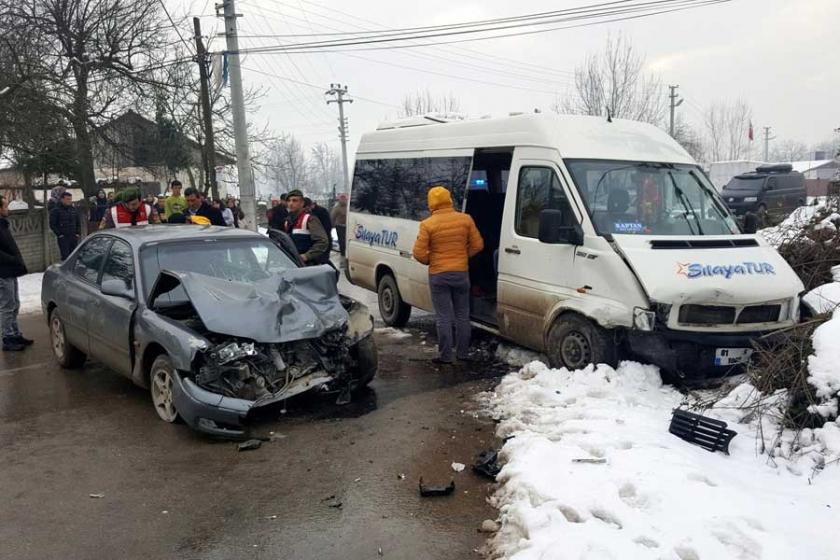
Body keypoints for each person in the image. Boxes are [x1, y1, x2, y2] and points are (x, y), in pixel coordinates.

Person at [412, 186, 484, 365]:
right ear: (449, 200)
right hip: (461, 274)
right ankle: (463, 354)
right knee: (462, 315)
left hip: (438, 275)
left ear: (431, 203)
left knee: (443, 317)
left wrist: (433, 260)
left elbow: (419, 253)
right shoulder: (465, 220)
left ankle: (445, 357)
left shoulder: (427, 224)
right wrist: (461, 257)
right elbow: (478, 245)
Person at [0, 195, 33, 351]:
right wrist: (12, 259)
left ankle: (15, 334)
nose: (8, 209)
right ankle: (8, 338)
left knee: (14, 304)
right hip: (3, 272)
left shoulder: (3, 225)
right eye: (5, 206)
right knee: (7, 306)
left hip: (10, 270)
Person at [283, 189, 329, 265]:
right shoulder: (287, 221)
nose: (291, 203)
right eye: (289, 201)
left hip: (307, 265)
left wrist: (307, 256)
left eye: (295, 201)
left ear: (302, 203)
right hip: (292, 263)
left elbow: (322, 241)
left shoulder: (309, 219)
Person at [49, 191, 81, 260]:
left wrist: (78, 233)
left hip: (73, 236)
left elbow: (78, 222)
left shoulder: (73, 210)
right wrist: (59, 234)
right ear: (62, 199)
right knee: (65, 256)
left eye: (70, 199)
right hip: (64, 237)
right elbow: (52, 224)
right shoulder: (56, 210)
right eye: (67, 199)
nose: (69, 201)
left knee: (74, 256)